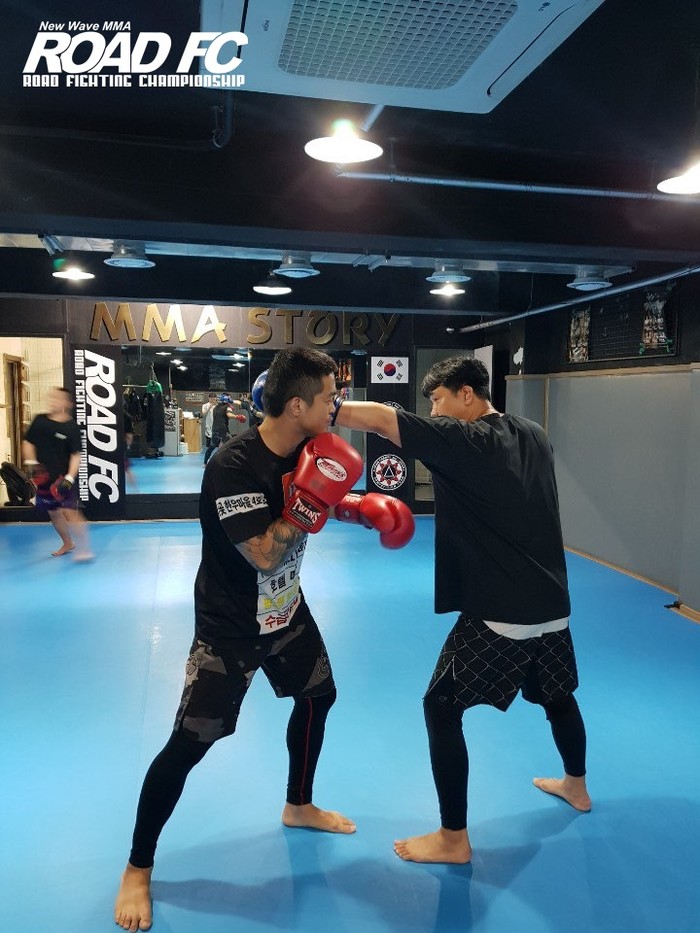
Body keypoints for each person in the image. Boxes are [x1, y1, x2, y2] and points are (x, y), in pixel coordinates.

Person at [115, 347, 375, 933]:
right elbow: (262, 553)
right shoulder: (231, 466)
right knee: (188, 745)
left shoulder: (312, 448)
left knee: (319, 696)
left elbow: (311, 506)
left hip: (286, 612)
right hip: (230, 627)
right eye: (329, 396)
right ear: (296, 405)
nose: (336, 405)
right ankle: (137, 866)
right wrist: (314, 500)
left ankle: (298, 803)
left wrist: (354, 507)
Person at [332, 355, 590, 865]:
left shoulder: (465, 440)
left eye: (438, 400)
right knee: (558, 696)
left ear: (466, 394)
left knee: (441, 708)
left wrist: (322, 409)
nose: (434, 411)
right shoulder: (534, 432)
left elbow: (382, 420)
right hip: (553, 602)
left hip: (500, 612)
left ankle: (453, 838)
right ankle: (576, 786)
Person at [22, 386, 93, 561]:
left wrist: (70, 477)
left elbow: (76, 455)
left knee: (70, 512)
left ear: (67, 403)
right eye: (52, 397)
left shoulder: (72, 427)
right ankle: (68, 542)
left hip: (63, 479)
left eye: (58, 398)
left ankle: (84, 548)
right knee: (53, 512)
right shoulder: (39, 421)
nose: (53, 401)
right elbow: (28, 443)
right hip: (43, 478)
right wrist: (32, 463)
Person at [201, 392, 217, 462]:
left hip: (216, 427)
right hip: (208, 426)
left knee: (216, 444)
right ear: (209, 398)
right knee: (209, 445)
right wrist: (209, 408)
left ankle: (214, 458)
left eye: (214, 399)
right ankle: (207, 458)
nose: (213, 400)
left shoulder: (217, 406)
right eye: (212, 399)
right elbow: (203, 414)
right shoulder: (205, 405)